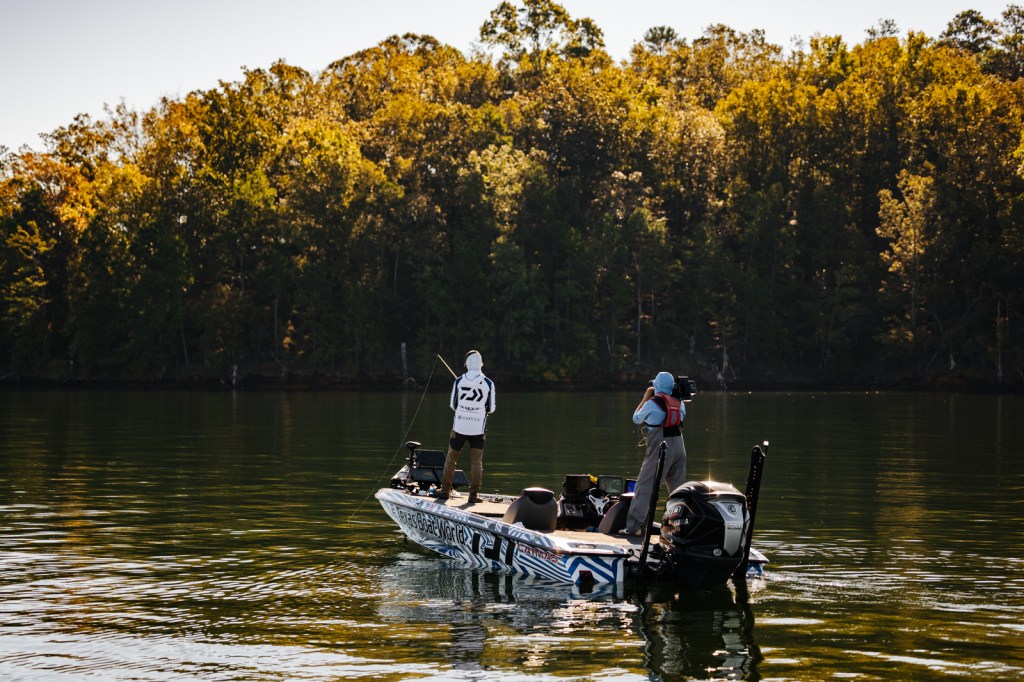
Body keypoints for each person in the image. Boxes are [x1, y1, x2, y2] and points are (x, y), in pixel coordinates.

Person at [622, 371, 687, 536]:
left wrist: (645, 398)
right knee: (678, 490)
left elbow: (636, 419)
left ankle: (635, 527)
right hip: (679, 447)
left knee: (645, 486)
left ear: (656, 386)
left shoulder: (651, 403)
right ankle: (679, 528)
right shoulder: (680, 403)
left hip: (661, 447)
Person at [436, 350, 495, 503]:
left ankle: (445, 491)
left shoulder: (459, 381)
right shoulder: (489, 383)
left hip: (459, 427)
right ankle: (473, 495)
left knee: (451, 459)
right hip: (478, 429)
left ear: (467, 364)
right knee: (476, 463)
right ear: (481, 364)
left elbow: (453, 405)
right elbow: (491, 408)